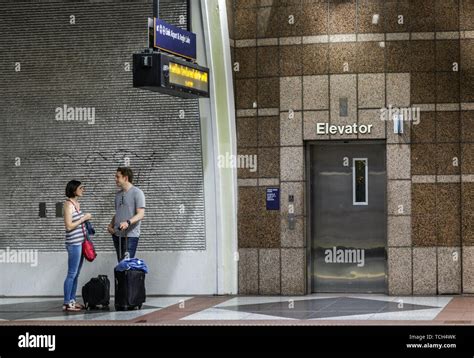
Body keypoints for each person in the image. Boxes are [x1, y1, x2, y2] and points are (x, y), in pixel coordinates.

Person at [63, 180, 92, 312]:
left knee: (76, 273)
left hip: (80, 242)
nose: (83, 190)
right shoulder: (68, 205)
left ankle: (72, 300)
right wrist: (84, 218)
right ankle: (67, 303)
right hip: (73, 244)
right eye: (81, 188)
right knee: (72, 273)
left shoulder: (77, 204)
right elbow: (69, 226)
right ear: (74, 190)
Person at [108, 167, 146, 262]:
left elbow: (141, 214)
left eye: (117, 177)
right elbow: (118, 213)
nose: (115, 179)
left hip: (130, 235)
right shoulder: (118, 195)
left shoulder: (137, 193)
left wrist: (128, 222)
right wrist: (110, 225)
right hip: (117, 235)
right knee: (120, 265)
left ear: (125, 178)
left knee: (126, 266)